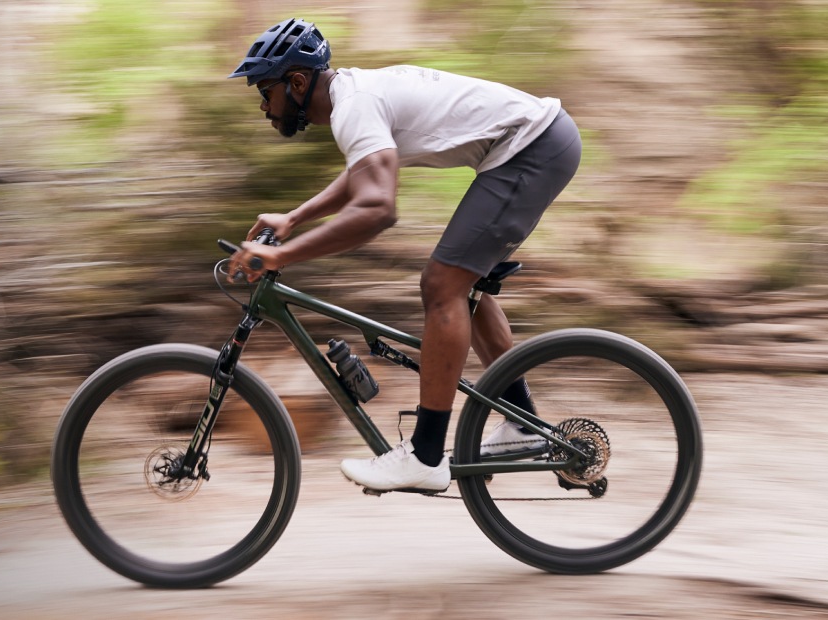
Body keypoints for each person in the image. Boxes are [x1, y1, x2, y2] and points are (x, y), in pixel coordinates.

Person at [225, 18, 582, 492]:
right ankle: (521, 424)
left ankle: (426, 455)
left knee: (441, 285)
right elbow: (365, 172)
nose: (264, 108)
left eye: (264, 93)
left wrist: (281, 255)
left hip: (531, 148)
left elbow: (377, 208)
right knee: (461, 285)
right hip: (536, 145)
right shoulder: (351, 96)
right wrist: (295, 217)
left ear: (296, 83)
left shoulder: (353, 104)